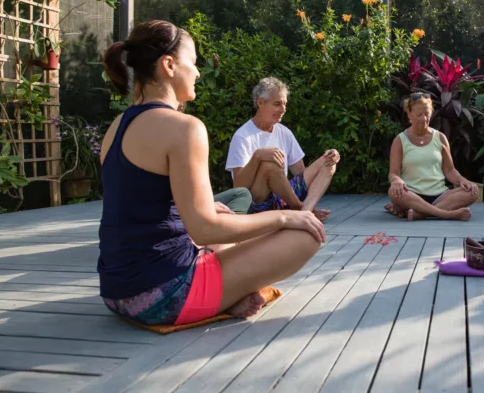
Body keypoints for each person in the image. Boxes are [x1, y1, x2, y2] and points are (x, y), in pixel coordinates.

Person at [98, 20, 325, 326]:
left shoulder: (117, 126)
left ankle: (228, 296)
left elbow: (140, 208)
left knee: (229, 229)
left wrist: (197, 213)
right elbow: (205, 231)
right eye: (193, 62)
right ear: (168, 65)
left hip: (116, 291)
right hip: (164, 294)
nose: (198, 71)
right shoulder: (184, 128)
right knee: (304, 234)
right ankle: (225, 297)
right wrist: (286, 217)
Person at [225, 77, 339, 222]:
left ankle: (306, 211)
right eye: (277, 104)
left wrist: (330, 156)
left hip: (283, 198)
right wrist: (258, 156)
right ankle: (301, 210)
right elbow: (239, 187)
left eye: (284, 104)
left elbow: (300, 174)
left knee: (328, 162)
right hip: (258, 204)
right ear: (260, 102)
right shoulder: (242, 136)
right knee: (269, 165)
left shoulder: (284, 132)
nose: (283, 109)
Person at [386, 93, 478, 221]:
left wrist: (462, 180)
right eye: (419, 115)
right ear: (409, 114)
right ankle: (447, 214)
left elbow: (449, 170)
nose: (424, 118)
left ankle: (421, 213)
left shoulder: (440, 137)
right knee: (393, 192)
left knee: (473, 192)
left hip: (439, 195)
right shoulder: (400, 140)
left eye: (427, 114)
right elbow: (393, 173)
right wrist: (396, 181)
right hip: (412, 195)